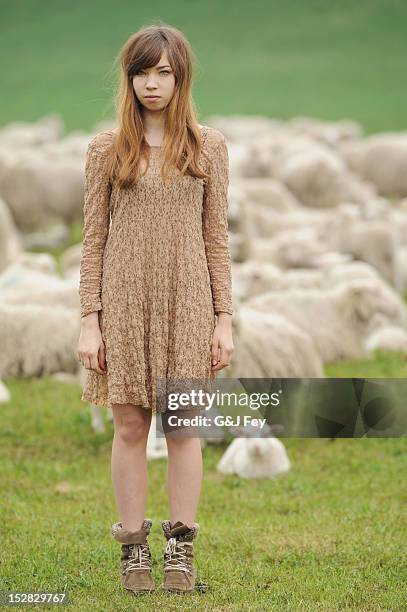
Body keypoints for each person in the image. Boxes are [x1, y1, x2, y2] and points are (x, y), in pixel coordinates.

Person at [77, 23, 234, 596]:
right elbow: (94, 239)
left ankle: (182, 550)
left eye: (163, 72)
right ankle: (133, 548)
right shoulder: (103, 150)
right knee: (130, 425)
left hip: (189, 297)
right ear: (130, 78)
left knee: (185, 427)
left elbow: (216, 235)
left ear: (180, 76)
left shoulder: (209, 146)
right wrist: (89, 321)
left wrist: (224, 318)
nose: (152, 83)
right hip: (123, 300)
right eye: (142, 71)